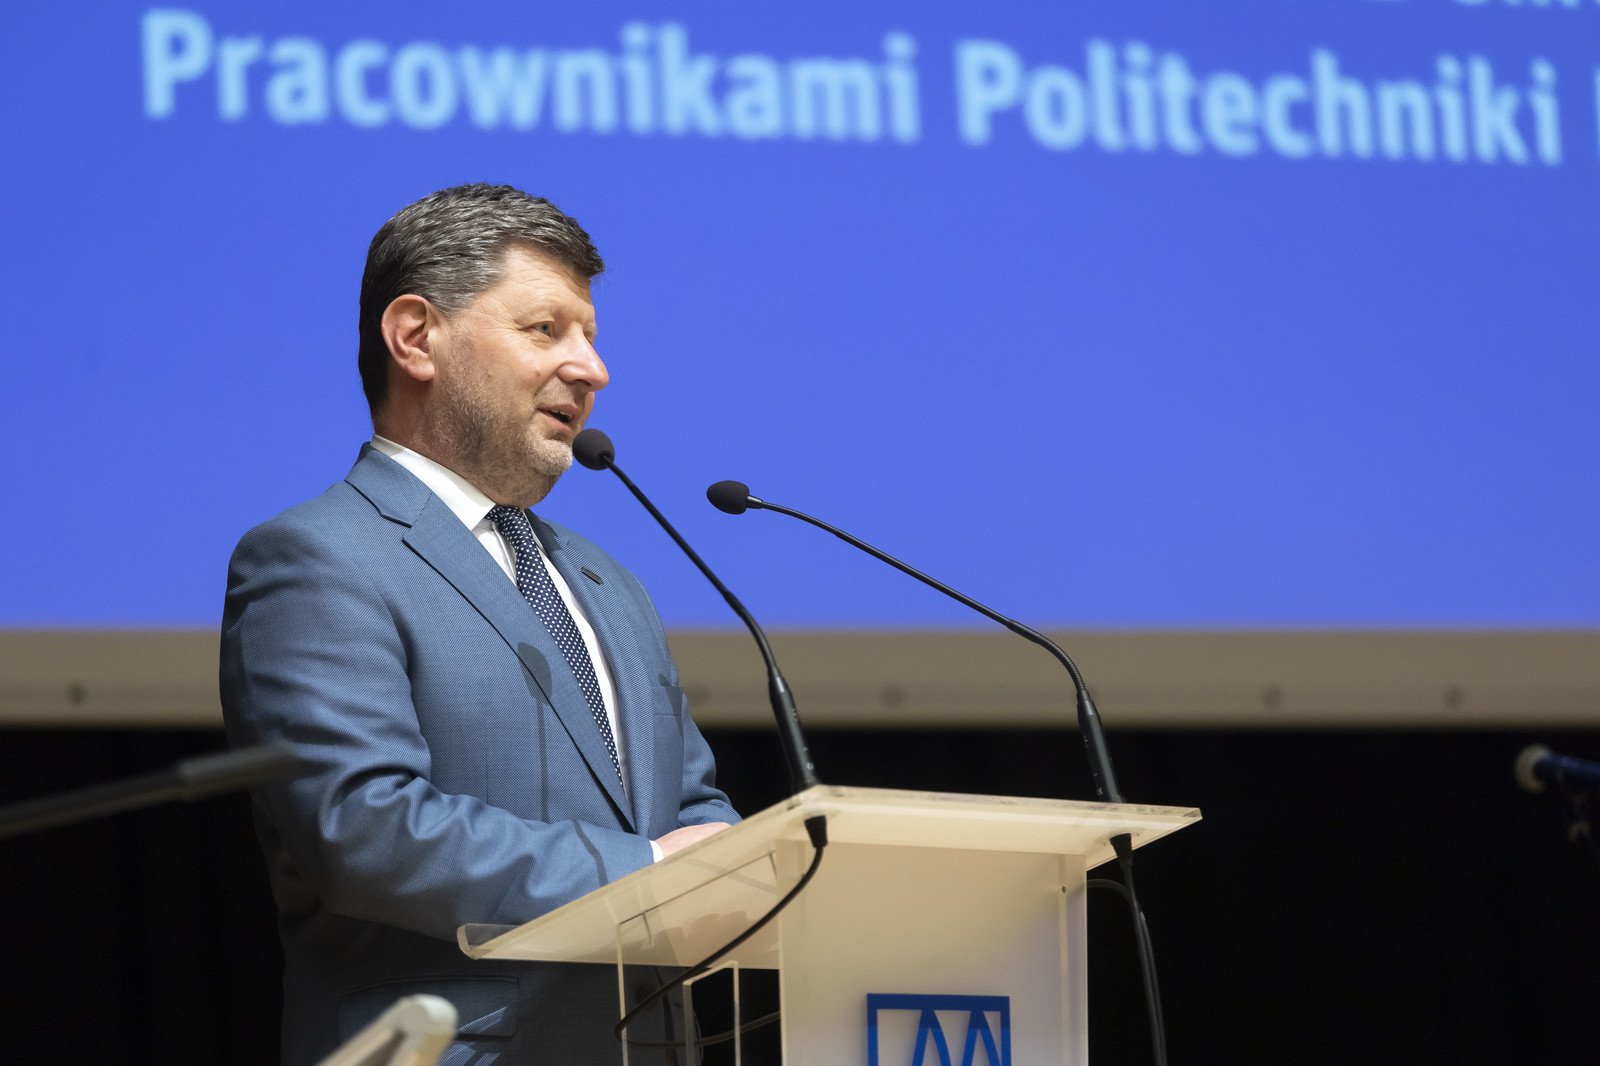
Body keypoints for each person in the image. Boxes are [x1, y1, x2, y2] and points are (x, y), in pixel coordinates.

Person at [220, 183, 736, 1066]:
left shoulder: (607, 583)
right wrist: (647, 875)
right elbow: (365, 829)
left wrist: (752, 864)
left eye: (590, 336)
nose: (592, 369)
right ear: (415, 336)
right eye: (546, 329)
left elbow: (690, 808)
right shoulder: (317, 558)